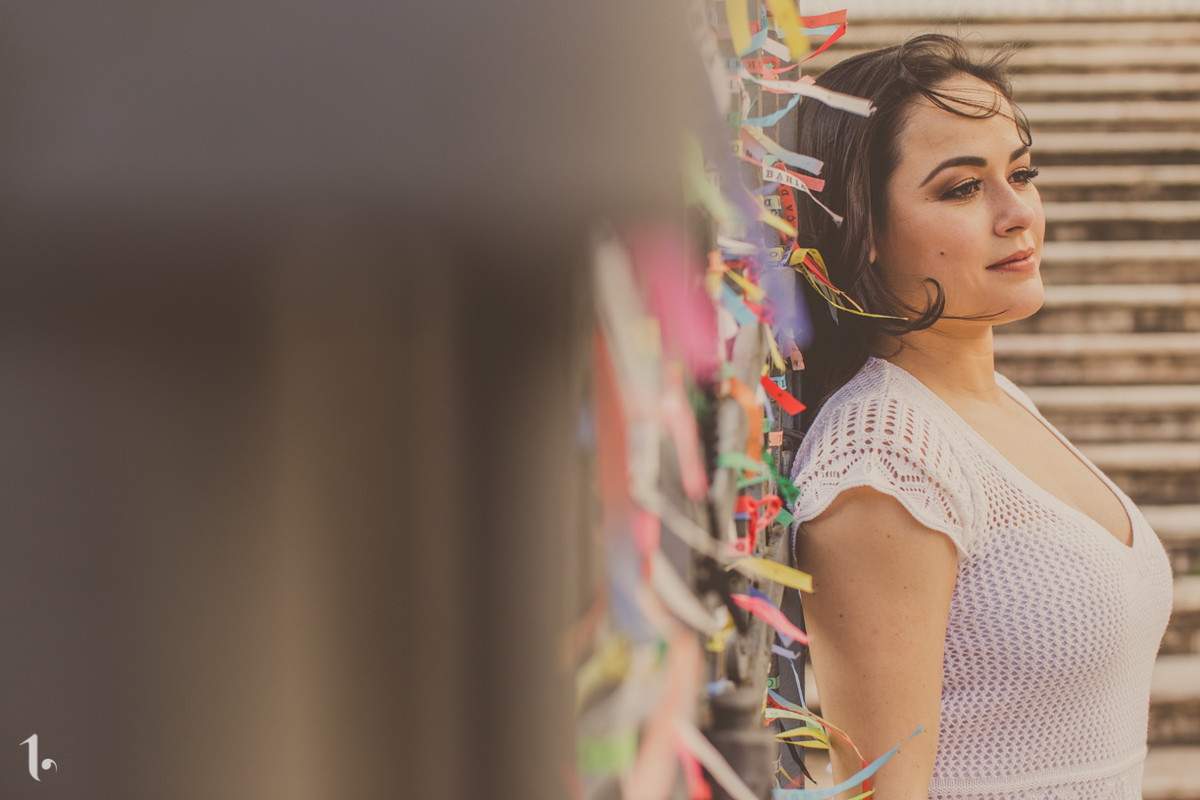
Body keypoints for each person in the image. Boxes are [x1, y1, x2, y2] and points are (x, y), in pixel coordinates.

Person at [785, 34, 1173, 799]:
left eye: (1022, 173)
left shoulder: (996, 402)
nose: (1016, 211)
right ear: (860, 225)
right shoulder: (883, 455)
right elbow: (882, 790)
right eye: (962, 188)